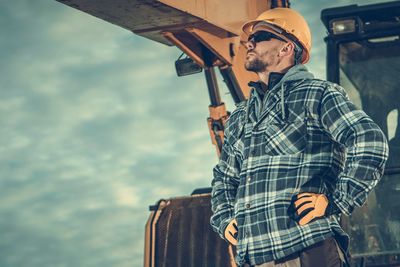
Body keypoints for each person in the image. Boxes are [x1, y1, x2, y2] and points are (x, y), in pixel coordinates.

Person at [210, 7, 389, 267]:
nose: (249, 42)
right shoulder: (241, 116)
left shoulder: (317, 95)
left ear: (286, 48)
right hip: (255, 259)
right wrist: (224, 219)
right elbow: (224, 177)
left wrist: (335, 200)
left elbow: (369, 141)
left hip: (307, 252)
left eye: (259, 37)